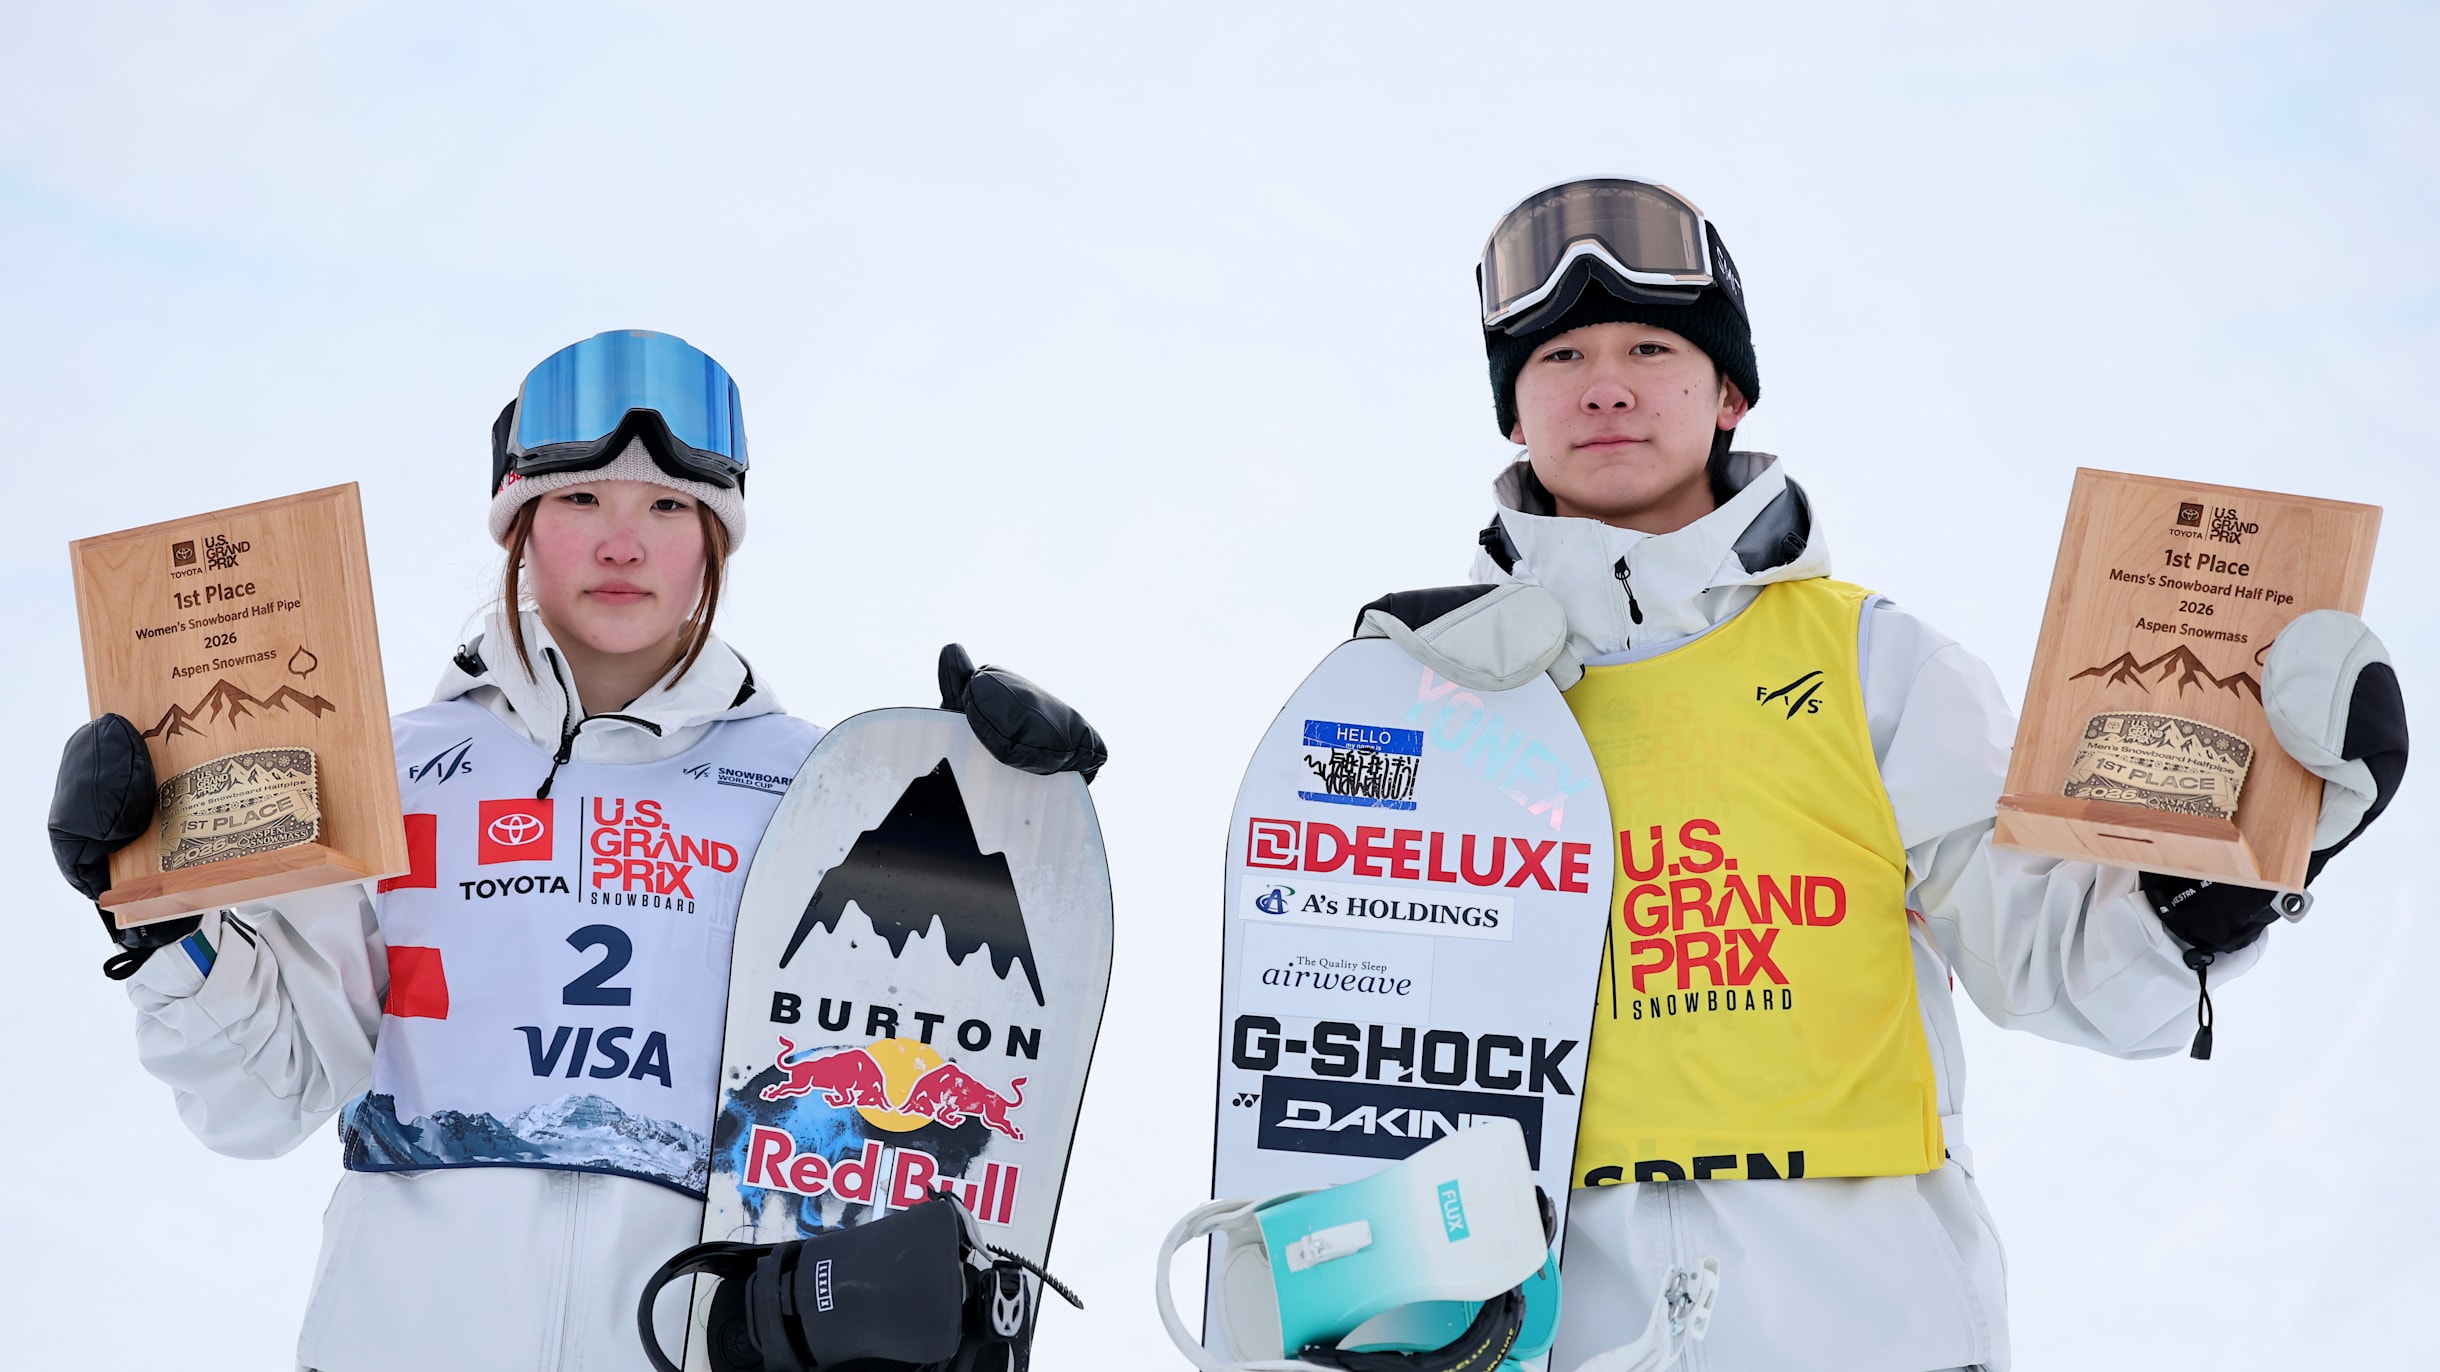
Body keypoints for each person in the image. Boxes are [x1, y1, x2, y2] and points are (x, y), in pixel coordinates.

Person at [1356, 180, 2408, 1370]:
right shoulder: (1421, 696)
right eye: (1557, 354)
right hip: (1541, 1326)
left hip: (1860, 1318)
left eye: (1652, 345)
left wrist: (2232, 874)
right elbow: (1338, 1016)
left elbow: (2065, 969)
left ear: (1728, 393)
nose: (1606, 382)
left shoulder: (1872, 663)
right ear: (1512, 412)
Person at [45, 330, 1106, 1372]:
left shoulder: (815, 790)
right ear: (518, 524)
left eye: (668, 506)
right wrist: (166, 920)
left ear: (714, 541)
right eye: (581, 499)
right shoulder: (387, 767)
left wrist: (1013, 807)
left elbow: (929, 1057)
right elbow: (262, 1097)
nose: (623, 542)